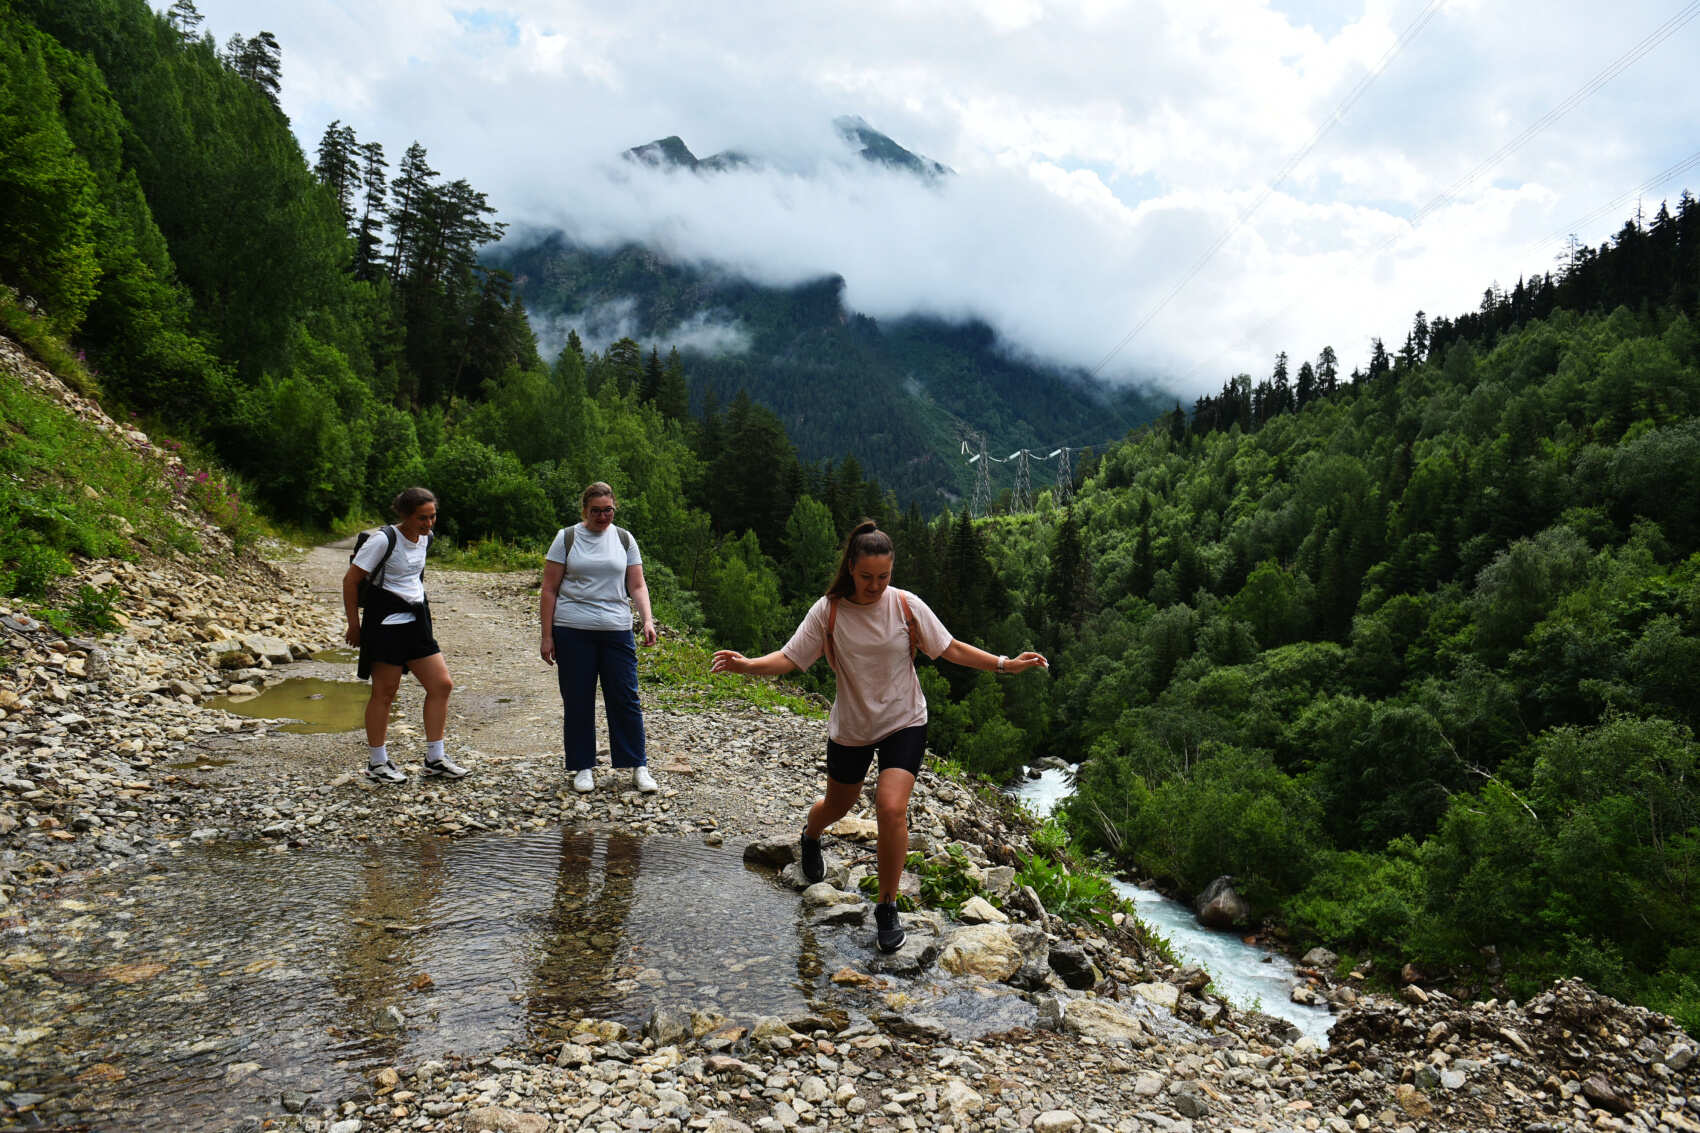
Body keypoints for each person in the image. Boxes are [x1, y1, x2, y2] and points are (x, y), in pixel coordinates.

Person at [711, 519, 1047, 953]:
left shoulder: (906, 606)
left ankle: (887, 907)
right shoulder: (828, 611)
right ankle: (811, 835)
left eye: (883, 577)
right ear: (851, 567)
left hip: (904, 720)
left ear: (892, 571)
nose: (875, 586)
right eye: (867, 576)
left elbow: (950, 648)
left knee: (890, 808)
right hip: (852, 725)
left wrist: (1005, 664)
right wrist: (748, 665)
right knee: (838, 804)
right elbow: (792, 658)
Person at [341, 487, 468, 783]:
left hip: (416, 621)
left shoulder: (427, 538)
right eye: (422, 518)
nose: (429, 524)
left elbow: (415, 577)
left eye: (433, 517)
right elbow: (351, 580)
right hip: (385, 624)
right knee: (385, 693)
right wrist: (353, 625)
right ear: (405, 515)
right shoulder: (383, 540)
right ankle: (377, 764)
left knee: (441, 685)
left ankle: (435, 759)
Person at [540, 482, 659, 794]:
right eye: (596, 511)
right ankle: (582, 766)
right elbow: (549, 589)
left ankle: (638, 765)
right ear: (585, 511)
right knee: (578, 700)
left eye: (608, 510)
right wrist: (546, 636)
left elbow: (637, 584)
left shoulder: (624, 538)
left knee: (626, 698)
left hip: (616, 629)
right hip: (572, 630)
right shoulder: (566, 538)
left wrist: (647, 618)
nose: (603, 516)